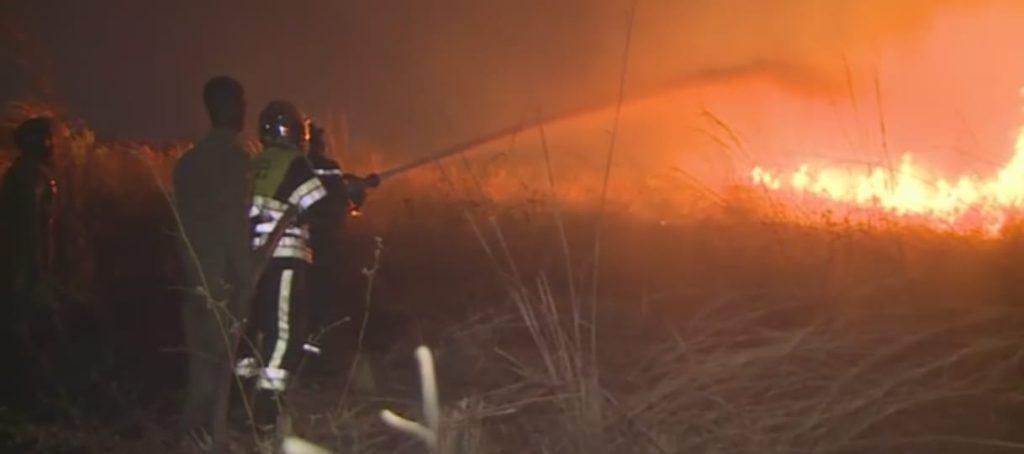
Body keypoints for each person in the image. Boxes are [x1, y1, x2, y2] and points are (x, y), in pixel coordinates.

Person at [172, 76, 252, 452]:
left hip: (193, 277)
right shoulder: (235, 161)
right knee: (218, 371)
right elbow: (235, 224)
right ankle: (204, 440)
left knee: (200, 367)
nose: (243, 110)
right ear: (228, 107)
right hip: (222, 280)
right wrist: (247, 274)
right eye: (239, 102)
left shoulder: (186, 165)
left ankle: (195, 438)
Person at [241, 100, 328, 431]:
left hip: (250, 263)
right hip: (283, 260)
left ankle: (240, 398)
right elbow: (321, 208)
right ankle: (266, 408)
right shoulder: (295, 163)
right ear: (294, 131)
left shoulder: (254, 163)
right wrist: (347, 193)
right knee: (285, 334)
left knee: (253, 329)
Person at [0, 117, 58, 406]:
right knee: (27, 329)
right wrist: (35, 270)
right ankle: (29, 397)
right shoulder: (29, 176)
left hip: (24, 265)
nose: (52, 143)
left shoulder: (22, 173)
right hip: (26, 267)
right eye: (46, 138)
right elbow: (28, 227)